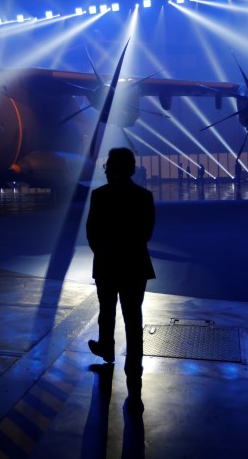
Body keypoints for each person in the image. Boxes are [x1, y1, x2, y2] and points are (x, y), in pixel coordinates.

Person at [86, 148, 156, 413]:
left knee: (107, 310)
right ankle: (133, 364)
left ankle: (107, 349)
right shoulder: (144, 197)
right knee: (133, 316)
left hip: (106, 264)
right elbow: (146, 232)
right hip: (136, 265)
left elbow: (92, 233)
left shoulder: (99, 196)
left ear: (112, 168)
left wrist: (105, 253)